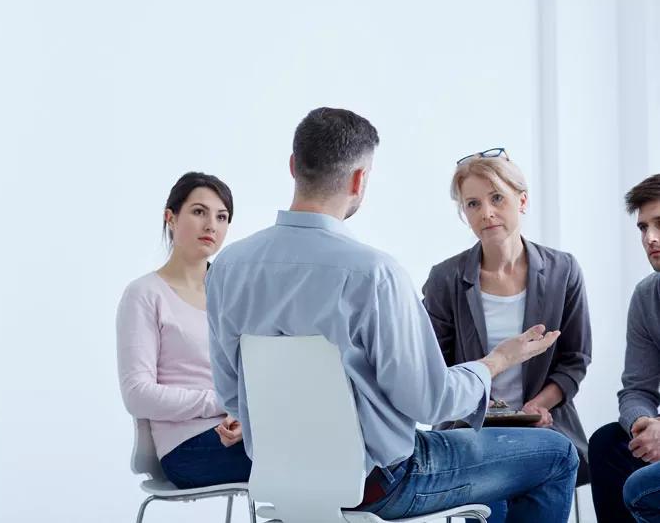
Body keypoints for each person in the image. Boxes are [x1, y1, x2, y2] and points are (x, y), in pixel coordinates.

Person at [206, 108, 578, 522]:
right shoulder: (373, 274)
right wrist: (498, 361)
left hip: (284, 485)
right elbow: (431, 402)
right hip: (384, 485)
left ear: (294, 166)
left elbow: (230, 393)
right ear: (359, 179)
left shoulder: (227, 268)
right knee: (557, 454)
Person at [422, 149, 592, 521]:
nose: (486, 212)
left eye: (497, 197)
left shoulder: (564, 270)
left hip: (545, 423)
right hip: (471, 426)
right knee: (489, 482)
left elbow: (575, 359)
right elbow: (435, 368)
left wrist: (540, 405)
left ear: (522, 199)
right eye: (472, 203)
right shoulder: (445, 278)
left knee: (545, 464)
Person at [116, 172, 251, 489]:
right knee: (309, 461)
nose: (211, 226)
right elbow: (137, 395)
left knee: (316, 452)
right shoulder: (145, 294)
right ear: (170, 217)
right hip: (186, 447)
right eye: (199, 212)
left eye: (222, 217)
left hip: (243, 432)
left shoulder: (234, 295)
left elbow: (254, 375)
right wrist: (221, 403)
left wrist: (244, 418)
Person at [589, 174, 660, 522]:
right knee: (607, 444)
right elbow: (636, 389)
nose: (651, 238)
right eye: (643, 228)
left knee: (640, 487)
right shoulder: (647, 296)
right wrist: (645, 423)